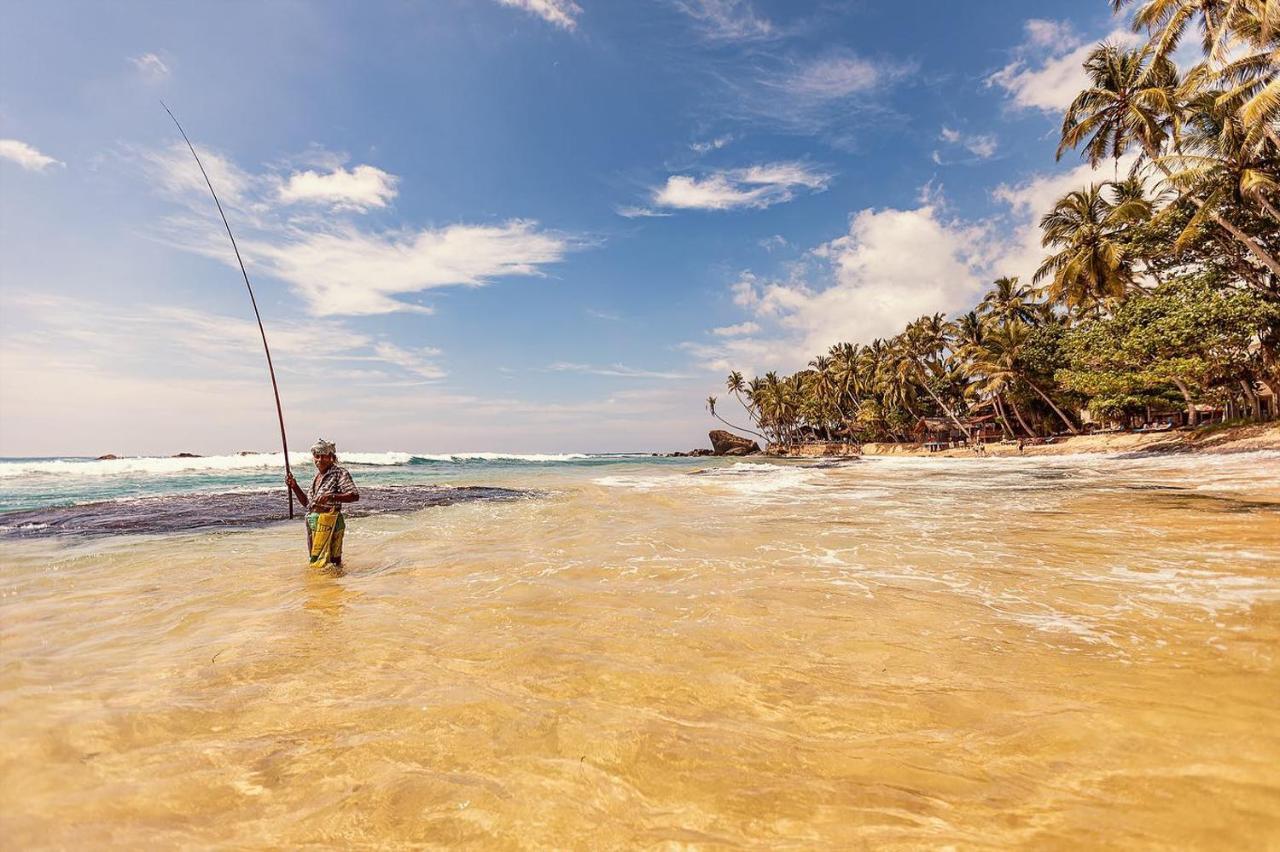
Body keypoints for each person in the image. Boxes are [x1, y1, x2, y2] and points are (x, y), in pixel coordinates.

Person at [286, 438, 360, 568]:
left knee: (333, 562)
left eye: (324, 456)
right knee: (316, 562)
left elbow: (354, 495)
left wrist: (331, 496)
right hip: (314, 523)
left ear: (331, 457)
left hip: (331, 522)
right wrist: (295, 486)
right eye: (317, 456)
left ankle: (335, 586)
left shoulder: (340, 473)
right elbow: (308, 505)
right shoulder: (317, 477)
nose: (320, 460)